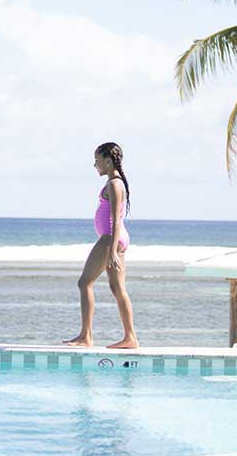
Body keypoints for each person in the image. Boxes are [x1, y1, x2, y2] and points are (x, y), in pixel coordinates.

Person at [63, 142, 139, 349]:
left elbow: (115, 219)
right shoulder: (116, 182)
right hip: (116, 239)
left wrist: (112, 250)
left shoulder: (114, 184)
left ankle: (85, 336)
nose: (95, 165)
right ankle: (130, 337)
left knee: (84, 283)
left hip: (109, 239)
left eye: (97, 161)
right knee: (117, 288)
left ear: (108, 161)